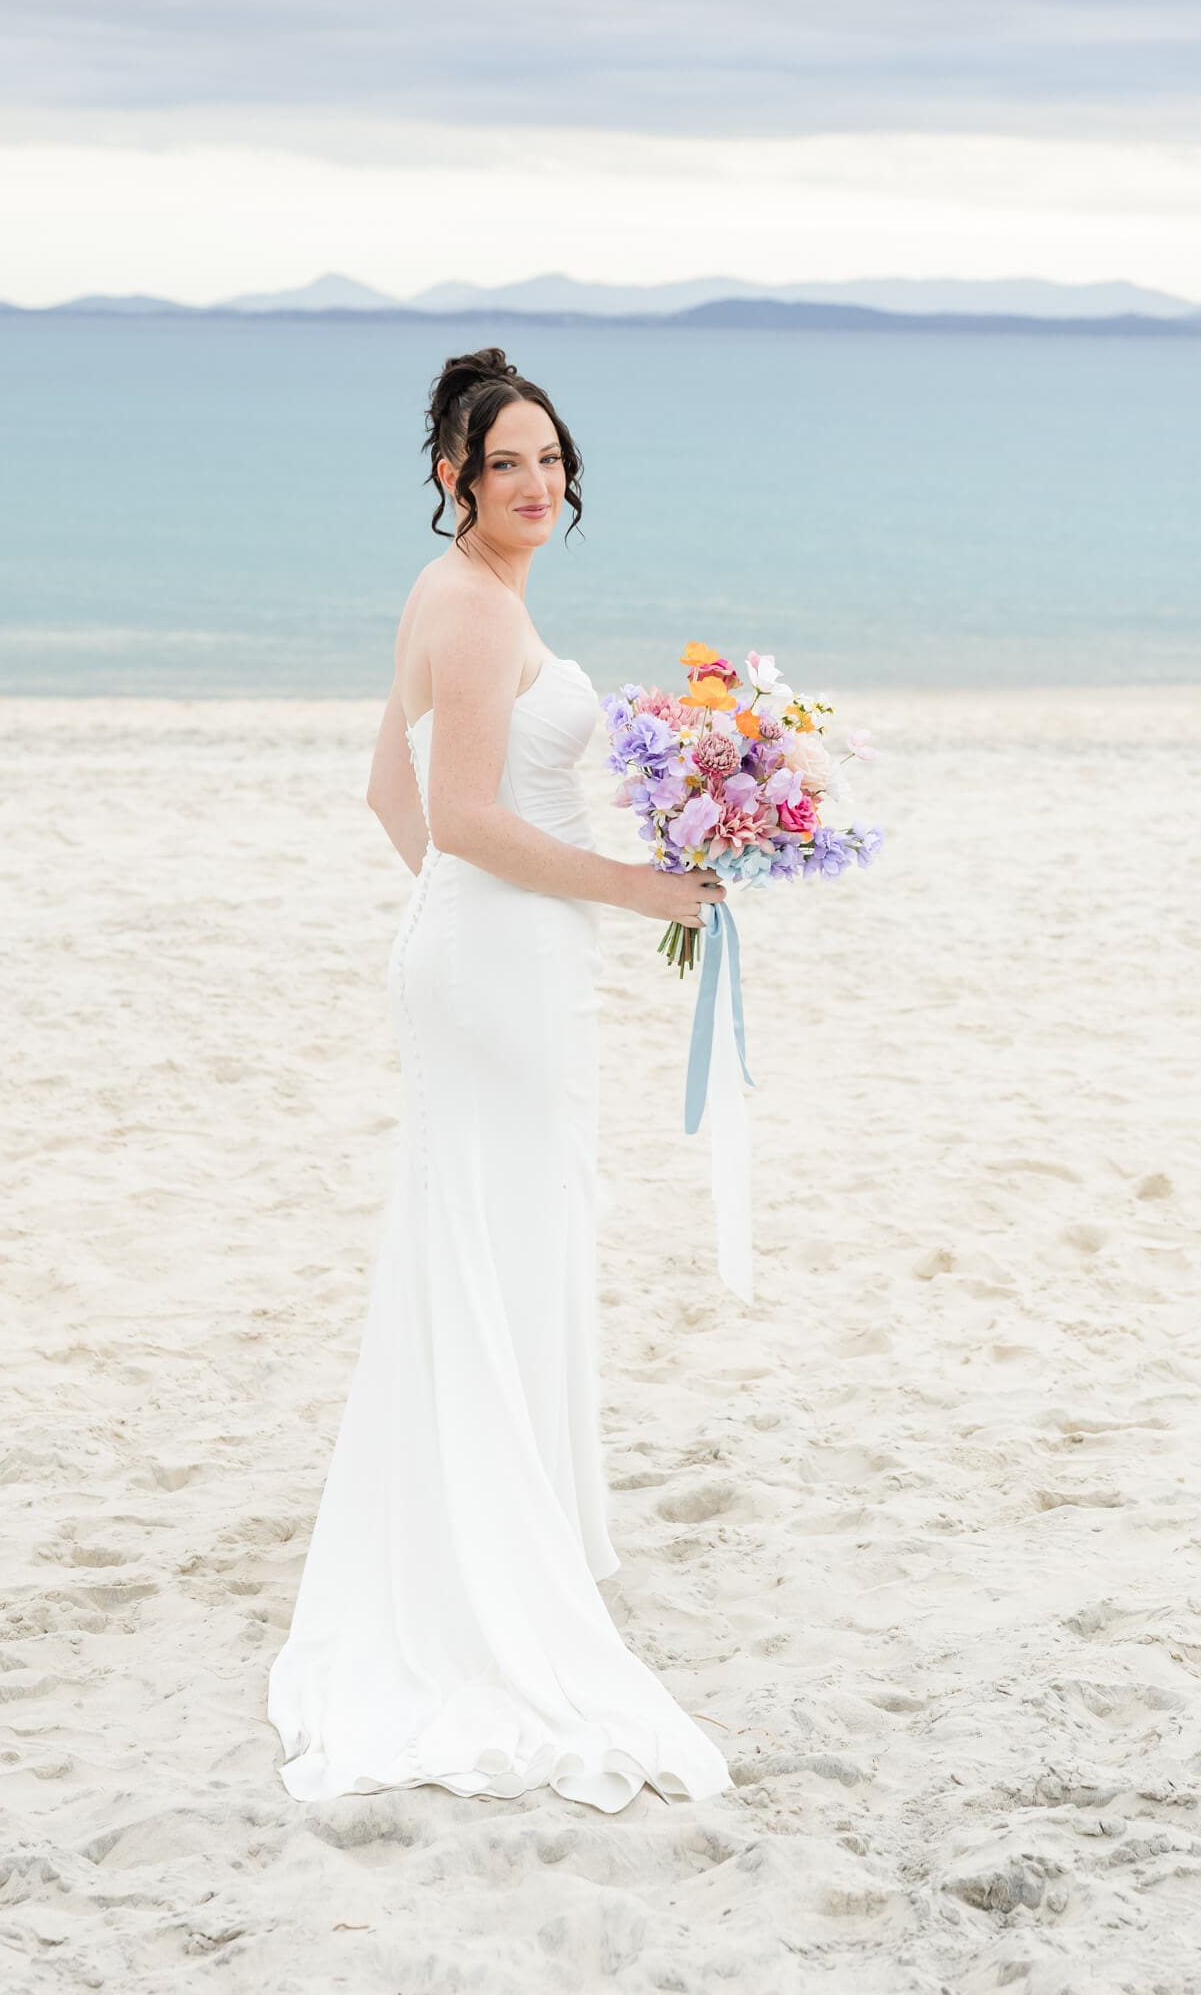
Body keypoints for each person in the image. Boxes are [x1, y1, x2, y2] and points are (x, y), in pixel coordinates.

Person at [266, 347, 733, 1813]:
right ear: (450, 478)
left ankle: (498, 1532)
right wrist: (622, 888)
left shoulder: (464, 599)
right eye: (505, 461)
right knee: (501, 1239)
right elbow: (456, 814)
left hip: (487, 957)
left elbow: (386, 797)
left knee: (496, 1237)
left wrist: (473, 925)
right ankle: (492, 1580)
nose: (535, 482)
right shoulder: (468, 608)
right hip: (495, 963)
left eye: (550, 459)